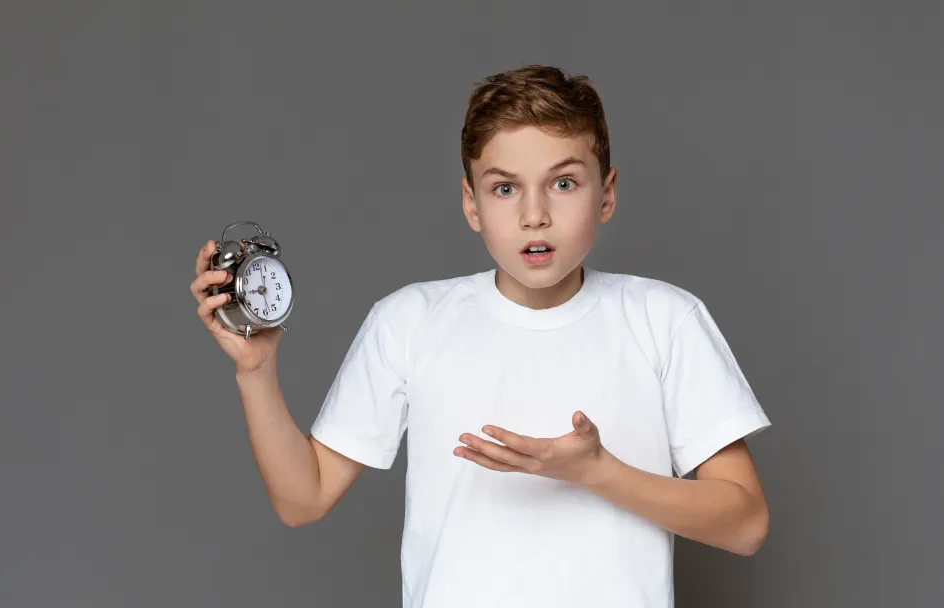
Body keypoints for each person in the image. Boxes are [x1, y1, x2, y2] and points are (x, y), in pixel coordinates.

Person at [189, 64, 772, 607]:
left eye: (564, 184)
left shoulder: (665, 319)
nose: (534, 215)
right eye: (504, 188)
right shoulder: (410, 321)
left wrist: (598, 472)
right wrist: (255, 372)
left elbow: (745, 524)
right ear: (471, 203)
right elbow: (303, 498)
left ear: (608, 193)